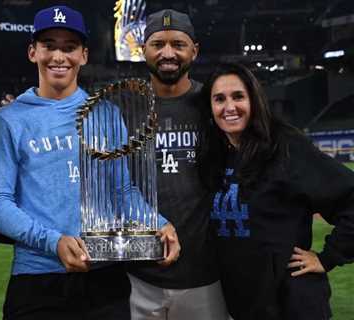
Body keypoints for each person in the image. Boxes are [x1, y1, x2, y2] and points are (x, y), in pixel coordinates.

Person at [0, 5, 180, 320]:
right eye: (49, 45)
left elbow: (123, 191)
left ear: (83, 55)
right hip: (37, 279)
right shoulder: (10, 120)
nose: (59, 56)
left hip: (104, 278)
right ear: (33, 52)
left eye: (69, 47)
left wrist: (159, 223)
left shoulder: (105, 114)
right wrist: (53, 242)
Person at [197, 62, 354, 320]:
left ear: (254, 100)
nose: (229, 107)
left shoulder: (286, 147)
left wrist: (328, 257)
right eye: (219, 99)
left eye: (238, 96)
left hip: (291, 304)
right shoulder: (216, 155)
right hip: (245, 306)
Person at [127, 9, 229, 320]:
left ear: (194, 51)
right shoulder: (121, 103)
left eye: (178, 44)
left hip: (206, 275)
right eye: (158, 44)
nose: (168, 53)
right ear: (143, 49)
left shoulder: (214, 104)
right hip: (136, 275)